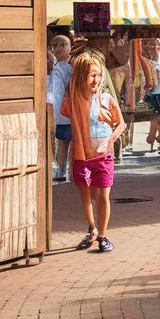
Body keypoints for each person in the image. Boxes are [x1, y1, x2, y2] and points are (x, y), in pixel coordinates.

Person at [61, 52, 127, 253]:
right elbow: (65, 110)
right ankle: (92, 229)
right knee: (86, 197)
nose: (96, 79)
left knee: (103, 197)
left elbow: (121, 123)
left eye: (99, 75)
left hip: (103, 156)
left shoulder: (107, 99)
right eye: (91, 75)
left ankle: (103, 235)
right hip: (83, 156)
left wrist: (111, 139)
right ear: (81, 76)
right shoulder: (73, 100)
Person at [47, 35, 73, 183]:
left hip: (64, 113)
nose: (58, 48)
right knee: (64, 144)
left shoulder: (62, 69)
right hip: (67, 113)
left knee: (64, 144)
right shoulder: (61, 67)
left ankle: (63, 171)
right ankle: (63, 171)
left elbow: (57, 96)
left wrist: (55, 116)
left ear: (70, 47)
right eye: (55, 45)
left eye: (63, 45)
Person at [141, 38, 160, 154]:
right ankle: (152, 140)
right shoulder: (146, 61)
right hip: (150, 93)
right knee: (153, 118)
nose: (155, 47)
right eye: (152, 45)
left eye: (157, 45)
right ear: (148, 48)